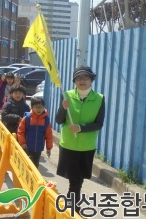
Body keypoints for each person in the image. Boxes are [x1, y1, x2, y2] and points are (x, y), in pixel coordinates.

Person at [55, 66, 105, 213]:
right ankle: (73, 209)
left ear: (91, 80)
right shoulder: (67, 95)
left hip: (86, 147)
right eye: (78, 78)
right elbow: (59, 120)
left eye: (85, 78)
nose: (82, 81)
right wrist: (63, 109)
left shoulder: (99, 99)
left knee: (77, 180)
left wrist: (81, 128)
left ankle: (72, 208)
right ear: (74, 81)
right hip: (69, 145)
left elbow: (99, 124)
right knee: (74, 180)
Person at [17, 97, 53, 168]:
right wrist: (23, 143)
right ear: (32, 108)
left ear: (43, 107)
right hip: (27, 147)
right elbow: (20, 131)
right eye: (36, 107)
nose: (38, 109)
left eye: (40, 107)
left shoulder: (46, 120)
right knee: (28, 164)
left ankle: (33, 179)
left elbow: (49, 135)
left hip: (38, 148)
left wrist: (49, 147)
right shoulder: (27, 118)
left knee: (35, 165)